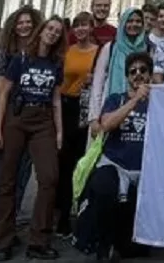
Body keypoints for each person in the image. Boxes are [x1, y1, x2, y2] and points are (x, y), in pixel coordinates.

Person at [0, 17, 66, 260]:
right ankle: (4, 239)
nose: (53, 34)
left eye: (57, 31)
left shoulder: (56, 63)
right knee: (7, 180)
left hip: (43, 120)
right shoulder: (20, 58)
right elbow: (4, 94)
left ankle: (38, 240)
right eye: (50, 29)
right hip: (17, 117)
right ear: (41, 31)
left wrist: (59, 131)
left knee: (49, 177)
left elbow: (56, 100)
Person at [0, 6, 43, 254]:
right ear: (14, 26)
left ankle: (5, 227)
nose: (24, 26)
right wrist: (2, 124)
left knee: (21, 175)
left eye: (29, 23)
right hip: (4, 114)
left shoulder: (42, 53)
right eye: (20, 22)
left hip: (32, 116)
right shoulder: (6, 52)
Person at [74, 51, 153, 261]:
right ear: (127, 76)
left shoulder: (159, 103)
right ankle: (102, 243)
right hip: (114, 165)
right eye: (132, 71)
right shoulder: (116, 98)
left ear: (150, 76)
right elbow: (106, 125)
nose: (138, 74)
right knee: (103, 186)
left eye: (143, 71)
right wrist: (134, 100)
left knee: (133, 249)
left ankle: (125, 241)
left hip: (144, 171)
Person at [57, 12, 98, 237]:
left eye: (85, 25)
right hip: (66, 107)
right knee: (65, 164)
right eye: (77, 26)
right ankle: (63, 216)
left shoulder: (99, 52)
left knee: (85, 164)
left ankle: (82, 216)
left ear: (91, 28)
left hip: (85, 109)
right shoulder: (67, 51)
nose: (81, 29)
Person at [87, 9, 147, 130]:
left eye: (138, 21)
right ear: (123, 23)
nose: (134, 24)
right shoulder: (110, 47)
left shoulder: (148, 48)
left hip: (140, 109)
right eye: (129, 21)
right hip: (110, 108)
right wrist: (94, 117)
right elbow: (98, 83)